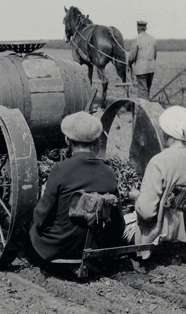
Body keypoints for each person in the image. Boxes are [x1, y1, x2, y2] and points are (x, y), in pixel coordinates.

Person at [29, 111, 125, 262]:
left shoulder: (61, 169)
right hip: (93, 247)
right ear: (96, 142)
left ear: (67, 140)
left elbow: (41, 218)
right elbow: (118, 225)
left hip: (57, 248)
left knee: (28, 231)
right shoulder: (109, 173)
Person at [127, 106, 186, 261]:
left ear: (167, 134)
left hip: (158, 237)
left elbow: (146, 212)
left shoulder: (159, 161)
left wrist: (136, 197)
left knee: (119, 224)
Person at [128, 20, 157, 100]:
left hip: (141, 71)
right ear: (145, 28)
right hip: (151, 69)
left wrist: (129, 64)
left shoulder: (136, 39)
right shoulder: (152, 39)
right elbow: (155, 56)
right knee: (147, 90)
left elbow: (132, 57)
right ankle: (147, 108)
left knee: (143, 92)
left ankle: (143, 111)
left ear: (138, 28)